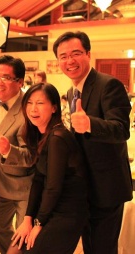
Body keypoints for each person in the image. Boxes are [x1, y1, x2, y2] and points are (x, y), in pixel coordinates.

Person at [53, 31, 133, 254]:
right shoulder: (71, 92)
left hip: (106, 187)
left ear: (88, 54)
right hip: (84, 187)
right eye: (63, 56)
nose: (70, 61)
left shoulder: (109, 85)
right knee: (89, 245)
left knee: (103, 248)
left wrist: (90, 124)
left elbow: (121, 130)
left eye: (76, 53)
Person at [6, 83, 88, 254]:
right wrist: (28, 219)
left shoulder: (58, 137)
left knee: (24, 250)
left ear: (54, 108)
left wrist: (39, 223)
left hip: (67, 212)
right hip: (50, 207)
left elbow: (53, 187)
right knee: (15, 248)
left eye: (40, 103)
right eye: (29, 103)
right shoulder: (40, 134)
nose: (33, 109)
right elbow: (38, 180)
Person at [0, 55, 35, 254]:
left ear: (20, 82)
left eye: (6, 77)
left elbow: (33, 155)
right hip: (0, 184)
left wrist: (9, 151)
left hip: (25, 187)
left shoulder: (29, 108)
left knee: (25, 239)